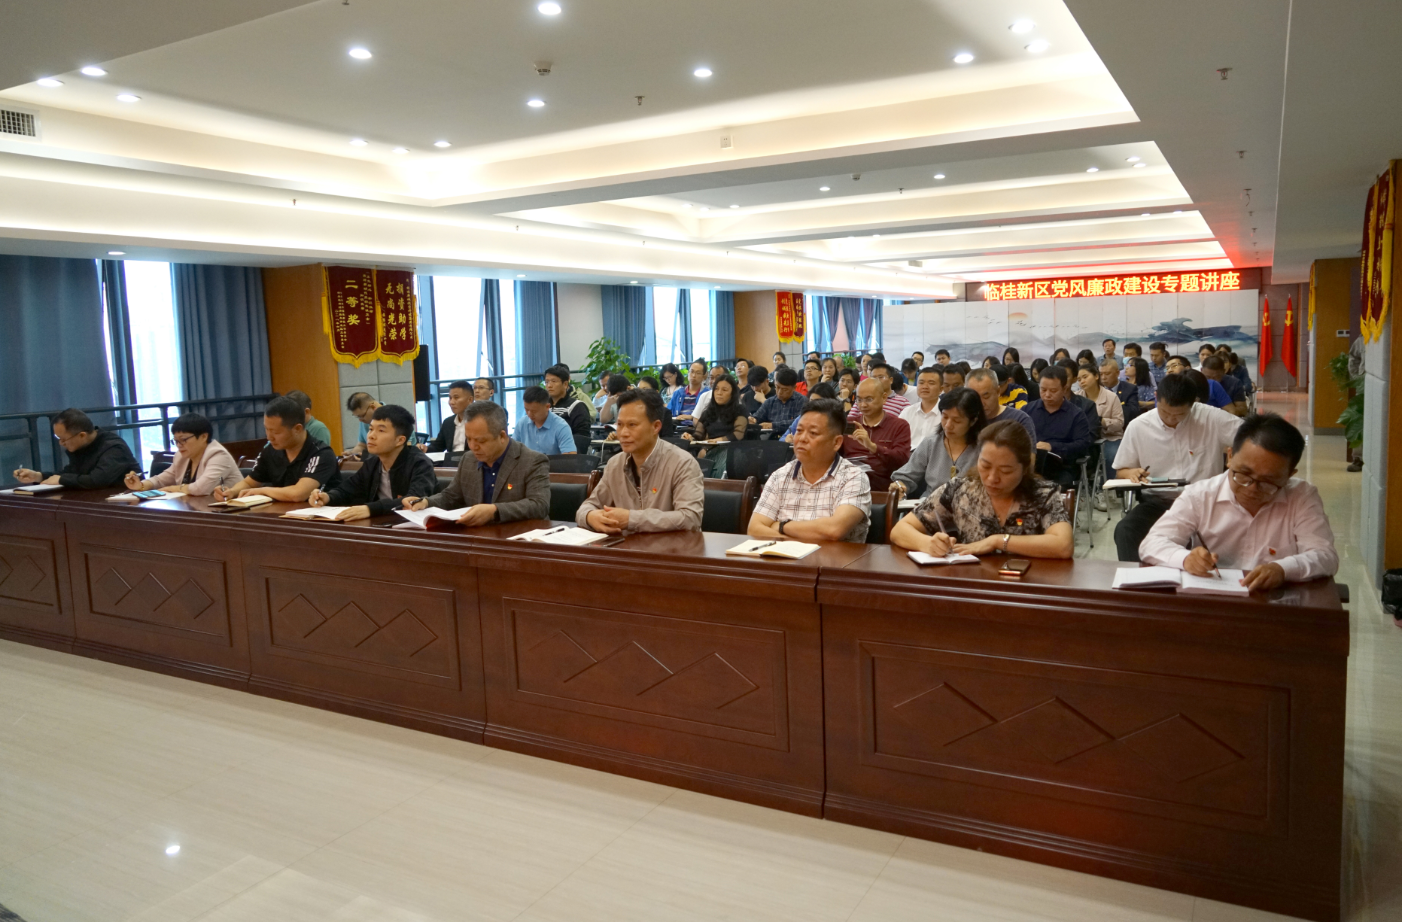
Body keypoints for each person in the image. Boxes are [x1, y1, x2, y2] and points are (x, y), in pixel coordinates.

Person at [1139, 414, 1337, 589]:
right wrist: (1186, 559)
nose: (1252, 489)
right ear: (1230, 456)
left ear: (1289, 475)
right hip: (1214, 600)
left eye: (1268, 482)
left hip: (1276, 603)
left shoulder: (1301, 497)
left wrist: (1282, 569)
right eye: (1244, 474)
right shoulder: (1201, 495)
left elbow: (1325, 555)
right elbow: (1152, 543)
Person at [890, 419, 1072, 559]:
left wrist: (997, 541)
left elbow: (1063, 545)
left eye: (1005, 471)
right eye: (985, 466)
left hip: (1027, 586)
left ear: (1025, 469)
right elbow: (900, 530)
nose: (992, 478)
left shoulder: (1043, 494)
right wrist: (928, 543)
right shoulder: (961, 489)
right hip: (975, 584)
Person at [1111, 373, 1242, 561]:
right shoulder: (1138, 426)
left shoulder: (1211, 418)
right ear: (1156, 397)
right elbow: (1121, 471)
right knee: (1126, 530)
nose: (1171, 419)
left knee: (1235, 531)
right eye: (1165, 412)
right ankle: (1138, 578)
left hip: (1206, 503)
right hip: (1160, 502)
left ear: (1193, 403)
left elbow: (1251, 440)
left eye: (1180, 414)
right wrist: (1131, 472)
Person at [402, 400, 550, 525]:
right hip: (477, 536)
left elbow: (539, 505)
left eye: (481, 441)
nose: (473, 446)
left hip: (520, 537)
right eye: (469, 439)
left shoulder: (532, 461)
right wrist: (426, 502)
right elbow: (451, 496)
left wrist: (494, 510)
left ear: (502, 436)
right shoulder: (468, 459)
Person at [578, 388, 704, 534]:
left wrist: (631, 519)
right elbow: (588, 507)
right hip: (626, 546)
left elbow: (690, 518)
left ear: (656, 426)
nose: (623, 433)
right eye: (620, 425)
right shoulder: (615, 464)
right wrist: (590, 516)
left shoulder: (683, 464)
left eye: (632, 425)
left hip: (670, 547)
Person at [748, 399, 871, 543]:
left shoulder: (853, 477)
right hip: (783, 557)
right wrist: (793, 546)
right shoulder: (780, 476)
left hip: (834, 558)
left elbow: (834, 530)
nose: (802, 438)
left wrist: (781, 526)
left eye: (813, 433)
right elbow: (755, 528)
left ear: (836, 442)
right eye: (799, 431)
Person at [309, 404, 437, 521]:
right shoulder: (372, 463)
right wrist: (327, 497)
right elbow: (348, 490)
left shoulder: (420, 464)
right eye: (370, 429)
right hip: (381, 524)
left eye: (381, 431)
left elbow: (413, 500)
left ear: (400, 440)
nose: (371, 436)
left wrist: (370, 509)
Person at [215, 396, 341, 503]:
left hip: (319, 517)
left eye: (275, 432)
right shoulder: (270, 450)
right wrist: (232, 492)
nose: (269, 437)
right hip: (281, 514)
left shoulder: (321, 453)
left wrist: (262, 491)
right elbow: (250, 483)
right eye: (266, 429)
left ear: (297, 429)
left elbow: (299, 494)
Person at [890, 386, 985, 502]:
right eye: (945, 417)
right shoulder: (931, 443)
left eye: (957, 421)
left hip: (969, 506)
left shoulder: (984, 448)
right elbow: (907, 475)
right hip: (930, 505)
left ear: (973, 421)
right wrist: (900, 486)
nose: (948, 425)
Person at [14, 408, 139, 489]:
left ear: (82, 435)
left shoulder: (114, 447)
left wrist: (62, 479)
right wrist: (38, 476)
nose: (61, 443)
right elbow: (71, 473)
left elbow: (97, 480)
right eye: (58, 438)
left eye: (64, 439)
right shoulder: (81, 445)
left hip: (125, 501)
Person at [123, 412, 241, 495]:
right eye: (176, 441)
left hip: (227, 512)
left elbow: (201, 489)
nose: (179, 445)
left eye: (183, 440)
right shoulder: (182, 456)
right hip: (194, 509)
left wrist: (172, 488)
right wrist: (141, 485)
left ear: (204, 437)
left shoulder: (218, 455)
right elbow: (160, 480)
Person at [1024, 365, 1091, 486]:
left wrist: (1052, 447)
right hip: (1031, 464)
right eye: (1043, 390)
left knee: (1058, 485)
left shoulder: (1076, 415)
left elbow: (1082, 445)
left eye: (1053, 391)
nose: (1047, 395)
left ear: (1065, 389)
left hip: (1062, 467)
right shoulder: (1027, 410)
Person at [840, 377, 911, 491]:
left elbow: (901, 461)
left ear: (884, 398)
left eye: (869, 399)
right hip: (848, 483)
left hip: (881, 487)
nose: (863, 405)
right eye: (859, 400)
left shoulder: (899, 425)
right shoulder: (849, 423)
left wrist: (872, 446)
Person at [965, 369, 1037, 446]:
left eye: (986, 396)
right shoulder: (965, 420)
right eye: (975, 398)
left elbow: (1029, 453)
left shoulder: (1019, 420)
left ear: (998, 391)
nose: (981, 403)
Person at [513, 385, 577, 455]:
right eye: (526, 409)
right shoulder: (522, 423)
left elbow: (570, 456)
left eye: (534, 411)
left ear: (547, 407)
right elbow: (512, 450)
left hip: (552, 462)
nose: (529, 414)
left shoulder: (561, 426)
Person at [543, 364, 591, 453]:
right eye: (546, 382)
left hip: (567, 455)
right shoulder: (542, 407)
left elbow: (581, 439)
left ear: (565, 384)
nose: (549, 385)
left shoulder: (577, 406)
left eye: (554, 381)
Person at [686, 373, 747, 442]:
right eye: (716, 389)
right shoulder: (708, 411)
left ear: (733, 393)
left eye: (724, 390)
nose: (719, 393)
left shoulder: (740, 410)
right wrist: (690, 438)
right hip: (710, 445)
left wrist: (716, 441)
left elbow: (738, 434)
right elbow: (698, 435)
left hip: (731, 447)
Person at [753, 366, 809, 432]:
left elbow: (799, 422)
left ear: (794, 388)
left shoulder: (801, 401)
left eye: (784, 389)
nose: (779, 392)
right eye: (777, 387)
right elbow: (757, 416)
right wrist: (753, 420)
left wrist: (773, 425)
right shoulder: (770, 402)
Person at [899, 366, 943, 447]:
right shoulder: (908, 411)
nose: (925, 387)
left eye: (931, 383)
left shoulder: (946, 414)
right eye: (921, 383)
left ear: (941, 389)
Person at [426, 380, 472, 454]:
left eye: (456, 398)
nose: (451, 402)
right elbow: (438, 447)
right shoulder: (448, 422)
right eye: (450, 398)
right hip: (450, 460)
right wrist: (425, 448)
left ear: (470, 400)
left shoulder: (479, 422)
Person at [1100, 357, 1141, 427]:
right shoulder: (1097, 389)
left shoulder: (1130, 389)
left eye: (1107, 373)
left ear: (1117, 373)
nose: (1103, 377)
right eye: (1101, 374)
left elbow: (1132, 412)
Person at [344, 391, 382, 458]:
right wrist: (352, 453)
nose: (360, 420)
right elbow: (362, 445)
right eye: (358, 417)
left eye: (362, 416)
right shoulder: (365, 421)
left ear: (372, 407)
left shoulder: (393, 417)